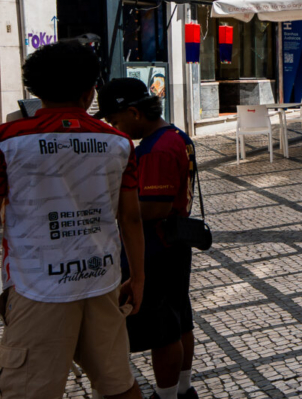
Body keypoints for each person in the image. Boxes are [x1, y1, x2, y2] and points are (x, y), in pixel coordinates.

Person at [0, 41, 144, 399]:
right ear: (91, 91)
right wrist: (138, 277)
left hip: (36, 288)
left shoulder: (3, 140)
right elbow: (131, 218)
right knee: (119, 385)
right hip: (101, 279)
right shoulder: (119, 142)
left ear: (35, 90)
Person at [97, 78, 200, 399]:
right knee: (180, 320)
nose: (116, 127)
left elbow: (154, 207)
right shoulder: (176, 136)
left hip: (156, 246)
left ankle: (167, 396)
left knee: (163, 330)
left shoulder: (156, 149)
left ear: (134, 112)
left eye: (115, 120)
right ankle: (182, 390)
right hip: (175, 243)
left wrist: (111, 205)